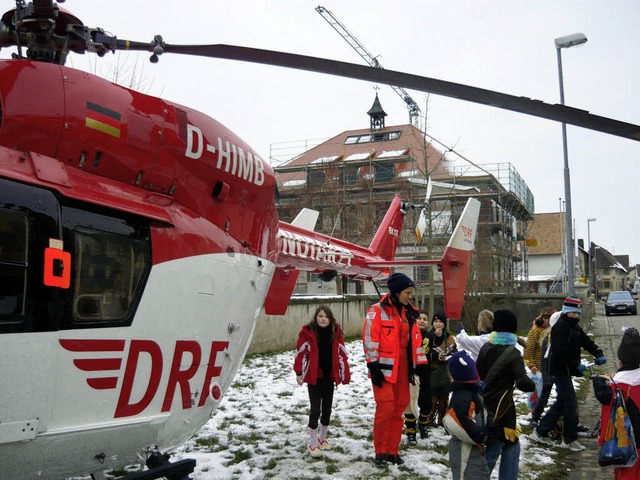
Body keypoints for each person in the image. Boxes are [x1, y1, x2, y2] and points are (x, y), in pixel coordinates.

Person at [362, 273, 428, 468]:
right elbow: (369, 338)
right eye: (407, 292)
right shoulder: (376, 311)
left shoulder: (410, 314)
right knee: (385, 409)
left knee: (399, 408)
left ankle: (392, 451)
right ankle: (380, 451)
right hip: (383, 370)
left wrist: (422, 365)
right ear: (396, 292)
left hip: (403, 369)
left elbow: (415, 342)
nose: (410, 296)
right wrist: (373, 365)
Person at [530, 296, 607, 451]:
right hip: (558, 370)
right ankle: (569, 439)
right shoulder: (561, 327)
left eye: (578, 313)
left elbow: (585, 341)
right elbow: (559, 352)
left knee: (562, 402)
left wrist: (598, 353)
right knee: (570, 404)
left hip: (566, 370)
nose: (577, 316)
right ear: (567, 312)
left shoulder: (574, 326)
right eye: (574, 313)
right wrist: (576, 364)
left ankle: (540, 432)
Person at [476, 309, 535, 480]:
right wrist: (534, 384)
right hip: (503, 410)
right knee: (496, 450)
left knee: (510, 445)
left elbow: (478, 374)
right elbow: (524, 383)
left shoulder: (485, 347)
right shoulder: (513, 352)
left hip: (485, 406)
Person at [294, 305, 351, 458]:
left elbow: (342, 355)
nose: (323, 318)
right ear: (315, 318)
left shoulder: (336, 333)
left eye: (326, 316)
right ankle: (312, 443)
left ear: (330, 319)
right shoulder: (308, 333)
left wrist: (344, 374)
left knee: (327, 409)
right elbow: (300, 353)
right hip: (314, 378)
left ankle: (323, 438)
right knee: (315, 410)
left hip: (329, 377)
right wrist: (299, 372)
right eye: (320, 316)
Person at [592, 327, 640, 480]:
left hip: (629, 441)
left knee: (627, 474)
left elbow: (604, 397)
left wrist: (600, 380)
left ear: (621, 360)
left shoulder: (618, 384)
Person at [445, 350, 490, 480]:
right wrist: (482, 436)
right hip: (464, 450)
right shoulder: (462, 397)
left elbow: (482, 412)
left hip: (477, 449)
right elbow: (459, 421)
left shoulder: (473, 393)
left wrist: (491, 424)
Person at [403, 310, 432, 444]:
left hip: (425, 373)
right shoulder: (408, 334)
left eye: (424, 319)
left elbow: (436, 348)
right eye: (419, 318)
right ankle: (410, 431)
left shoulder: (430, 336)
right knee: (410, 402)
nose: (421, 320)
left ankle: (423, 424)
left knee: (426, 402)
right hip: (412, 372)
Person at [523, 307, 554, 427]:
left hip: (550, 366)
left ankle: (539, 414)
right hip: (538, 367)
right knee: (537, 393)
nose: (548, 321)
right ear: (542, 318)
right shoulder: (535, 330)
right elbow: (528, 348)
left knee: (545, 393)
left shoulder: (553, 329)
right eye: (546, 318)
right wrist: (531, 364)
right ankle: (534, 415)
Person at [427, 311, 457, 427]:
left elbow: (455, 353)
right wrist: (434, 356)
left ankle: (442, 420)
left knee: (444, 397)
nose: (438, 324)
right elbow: (424, 353)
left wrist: (449, 356)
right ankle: (429, 419)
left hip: (445, 371)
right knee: (432, 397)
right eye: (435, 321)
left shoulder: (450, 338)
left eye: (440, 322)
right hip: (432, 370)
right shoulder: (429, 336)